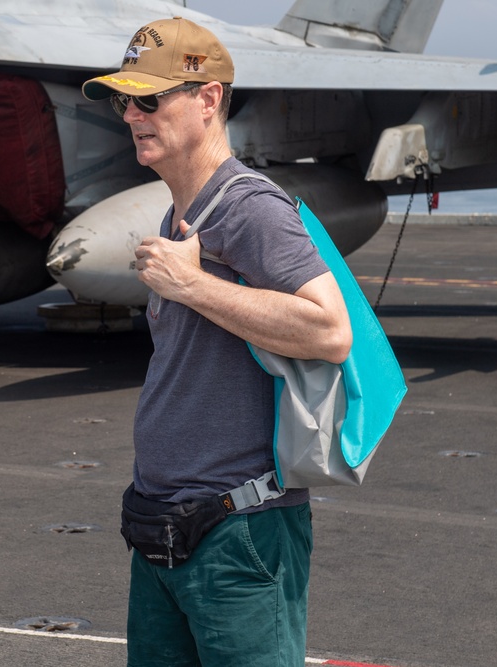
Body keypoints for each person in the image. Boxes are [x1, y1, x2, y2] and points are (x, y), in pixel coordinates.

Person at [82, 17, 352, 667]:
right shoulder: (179, 212)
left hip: (239, 538)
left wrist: (192, 285)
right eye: (126, 100)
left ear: (207, 99)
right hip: (164, 531)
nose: (132, 115)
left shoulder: (251, 207)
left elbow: (330, 330)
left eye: (151, 98)